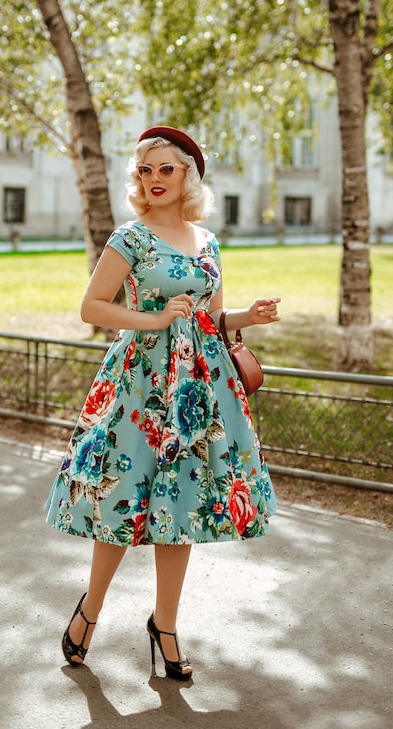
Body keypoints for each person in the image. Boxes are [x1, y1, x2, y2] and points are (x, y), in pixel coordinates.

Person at [45, 125, 281, 680]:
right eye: (145, 170)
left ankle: (166, 626)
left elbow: (210, 319)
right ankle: (91, 609)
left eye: (165, 170)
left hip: (198, 390)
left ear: (187, 177)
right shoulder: (130, 238)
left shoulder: (207, 240)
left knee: (183, 506)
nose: (153, 179)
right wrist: (153, 319)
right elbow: (92, 307)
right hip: (139, 386)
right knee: (122, 504)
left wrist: (247, 316)